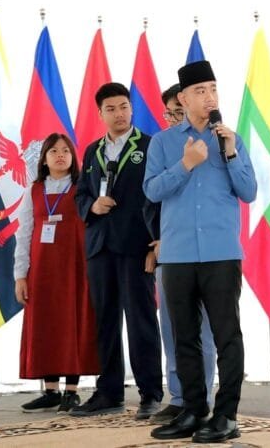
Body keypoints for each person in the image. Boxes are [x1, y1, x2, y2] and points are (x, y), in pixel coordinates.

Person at [144, 60, 257, 443]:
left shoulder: (231, 139)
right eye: (200, 91)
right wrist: (186, 165)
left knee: (227, 336)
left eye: (213, 89)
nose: (209, 97)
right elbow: (152, 191)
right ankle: (193, 410)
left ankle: (226, 416)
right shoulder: (162, 143)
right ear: (183, 98)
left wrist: (229, 152)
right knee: (184, 337)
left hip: (221, 253)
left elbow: (249, 191)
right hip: (176, 256)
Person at [72, 82, 163, 419]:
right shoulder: (92, 150)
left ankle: (151, 392)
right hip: (100, 247)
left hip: (137, 246)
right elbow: (80, 194)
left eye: (124, 106)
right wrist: (92, 206)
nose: (119, 113)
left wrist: (157, 241)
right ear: (100, 114)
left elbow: (159, 197)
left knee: (141, 321)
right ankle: (108, 391)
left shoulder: (151, 146)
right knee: (104, 321)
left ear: (131, 108)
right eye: (111, 109)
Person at [13, 133, 98, 414]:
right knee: (46, 324)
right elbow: (24, 233)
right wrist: (20, 274)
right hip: (42, 271)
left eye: (66, 151)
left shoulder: (83, 188)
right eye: (53, 151)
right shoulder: (34, 190)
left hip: (75, 267)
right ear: (44, 158)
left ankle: (71, 391)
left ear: (73, 158)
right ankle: (50, 391)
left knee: (73, 322)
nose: (60, 155)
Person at [149, 83, 218, 425]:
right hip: (168, 254)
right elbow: (151, 199)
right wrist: (155, 241)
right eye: (169, 114)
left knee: (202, 332)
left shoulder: (218, 143)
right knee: (173, 330)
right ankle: (178, 396)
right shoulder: (161, 146)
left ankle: (200, 397)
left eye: (177, 113)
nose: (173, 119)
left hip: (208, 256)